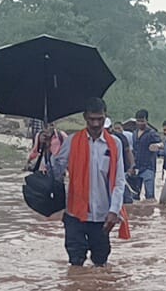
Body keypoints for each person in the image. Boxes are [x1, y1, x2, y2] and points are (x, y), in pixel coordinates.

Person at [51, 97, 128, 267]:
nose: (95, 124)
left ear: (105, 117)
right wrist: (48, 146)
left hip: (102, 215)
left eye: (99, 119)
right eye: (91, 119)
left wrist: (114, 210)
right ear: (85, 117)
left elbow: (119, 180)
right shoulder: (71, 141)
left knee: (100, 262)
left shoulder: (114, 144)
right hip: (74, 214)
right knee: (75, 262)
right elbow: (56, 173)